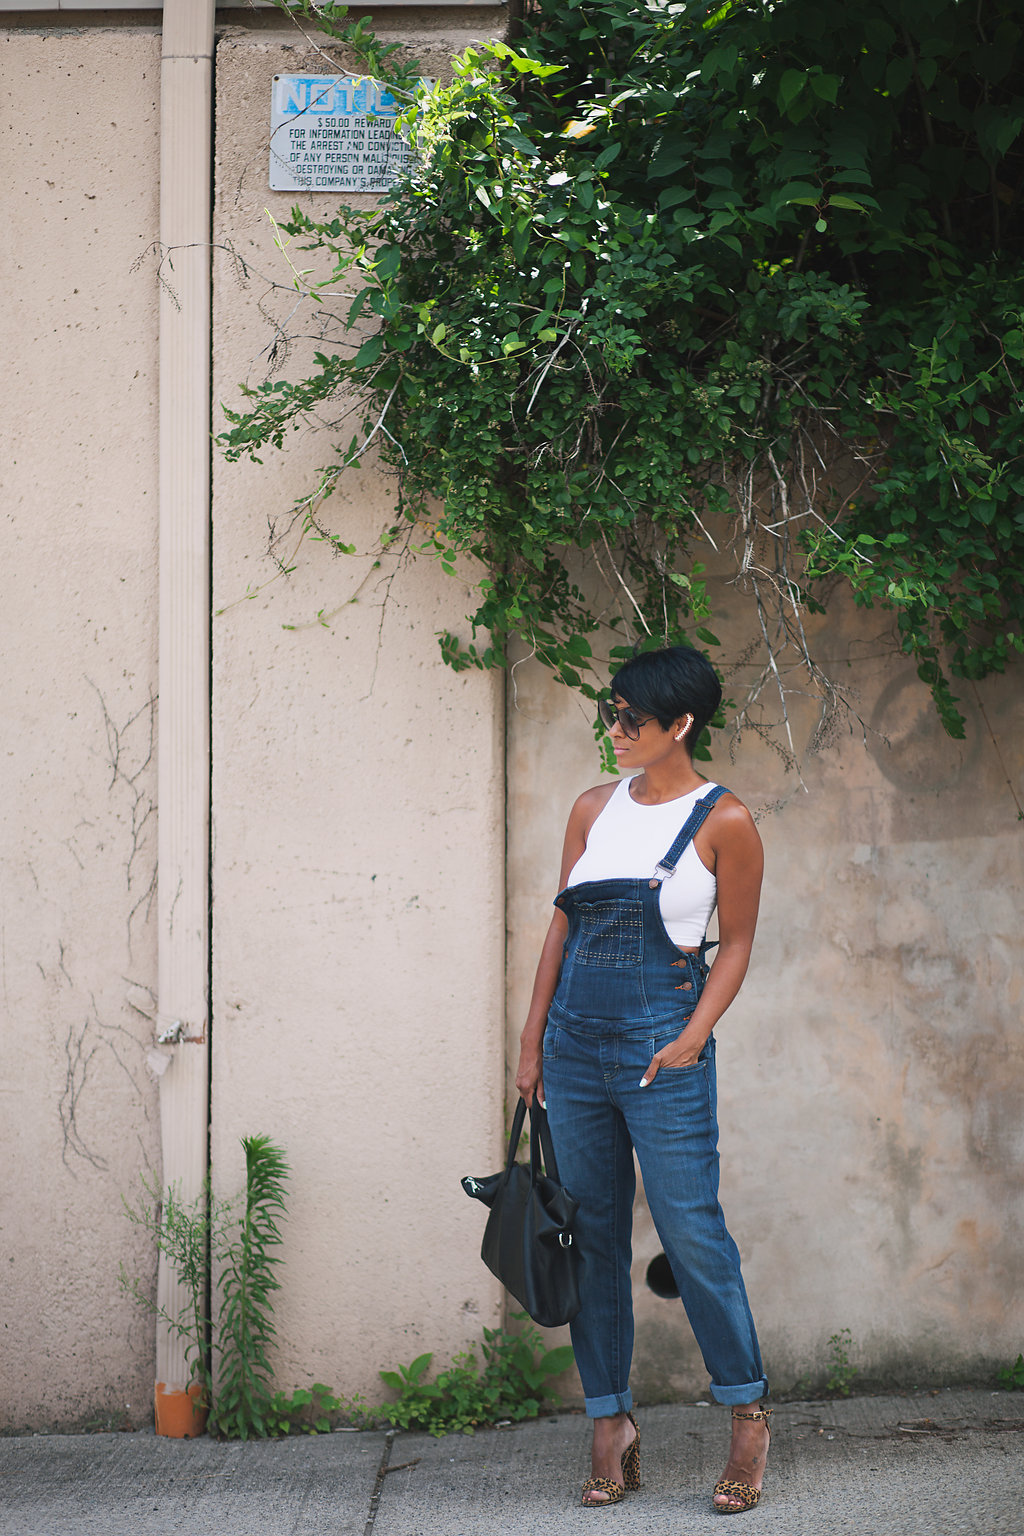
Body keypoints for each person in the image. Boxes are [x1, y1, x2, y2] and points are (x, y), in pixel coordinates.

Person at [515, 644, 772, 1515]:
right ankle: (610, 1423)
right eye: (612, 713)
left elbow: (734, 944)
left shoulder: (724, 820)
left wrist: (695, 1039)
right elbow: (561, 930)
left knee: (692, 1233)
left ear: (682, 726)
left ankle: (745, 1415)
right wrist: (531, 1041)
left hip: (667, 1049)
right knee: (590, 1238)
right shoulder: (592, 808)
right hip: (576, 1051)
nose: (615, 730)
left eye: (632, 718)